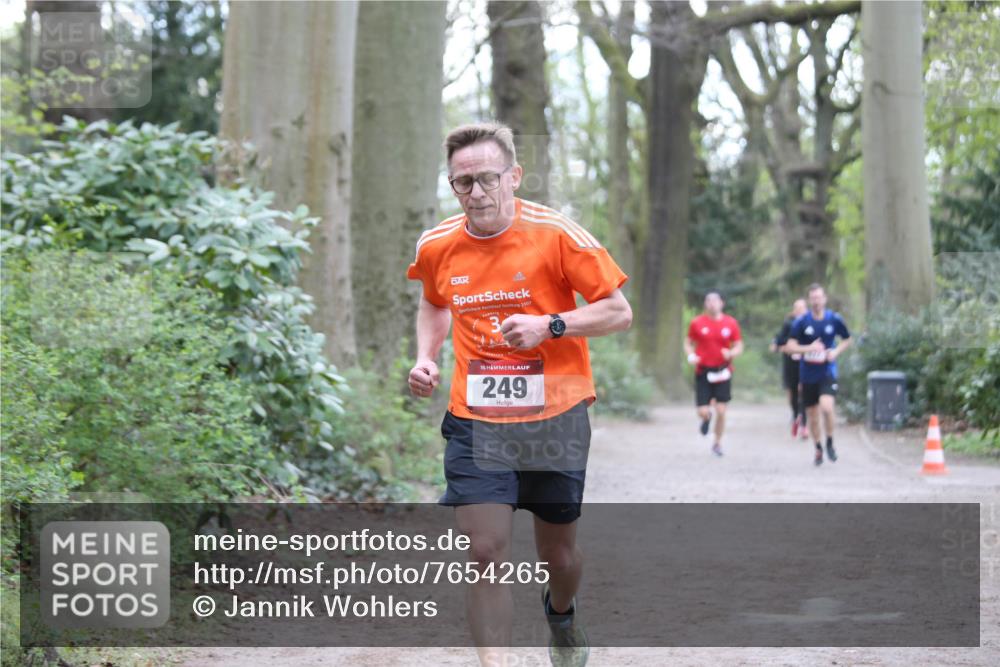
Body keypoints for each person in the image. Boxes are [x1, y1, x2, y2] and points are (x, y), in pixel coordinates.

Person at [406, 121, 632, 667]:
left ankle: (562, 614)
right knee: (484, 552)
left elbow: (618, 312)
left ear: (514, 176)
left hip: (555, 413)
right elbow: (435, 303)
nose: (476, 193)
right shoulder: (437, 243)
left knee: (559, 555)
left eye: (487, 179)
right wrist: (425, 357)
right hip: (477, 417)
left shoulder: (557, 234)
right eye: (463, 183)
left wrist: (550, 325)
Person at [785, 284, 852, 466]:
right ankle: (818, 448)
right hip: (807, 375)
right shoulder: (801, 322)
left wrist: (835, 352)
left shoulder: (834, 319)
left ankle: (830, 442)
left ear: (824, 299)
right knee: (813, 416)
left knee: (827, 407)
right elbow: (790, 347)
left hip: (827, 371)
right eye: (812, 298)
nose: (816, 301)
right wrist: (809, 348)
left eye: (818, 297)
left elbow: (848, 339)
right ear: (809, 300)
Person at [684, 291, 744, 457]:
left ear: (721, 303)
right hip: (703, 371)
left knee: (722, 410)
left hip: (723, 371)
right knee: (702, 410)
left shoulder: (731, 323)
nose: (712, 304)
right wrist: (691, 355)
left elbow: (739, 345)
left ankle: (717, 443)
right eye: (708, 300)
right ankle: (706, 418)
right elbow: (688, 342)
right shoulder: (697, 323)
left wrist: (731, 353)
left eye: (715, 300)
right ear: (705, 304)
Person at [770, 298, 809, 440]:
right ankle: (795, 414)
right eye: (796, 307)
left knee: (804, 391)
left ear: (806, 309)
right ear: (793, 310)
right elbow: (779, 340)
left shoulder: (810, 323)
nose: (799, 310)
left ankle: (804, 425)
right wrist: (778, 346)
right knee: (792, 392)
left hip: (806, 363)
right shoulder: (788, 324)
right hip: (790, 363)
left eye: (802, 307)